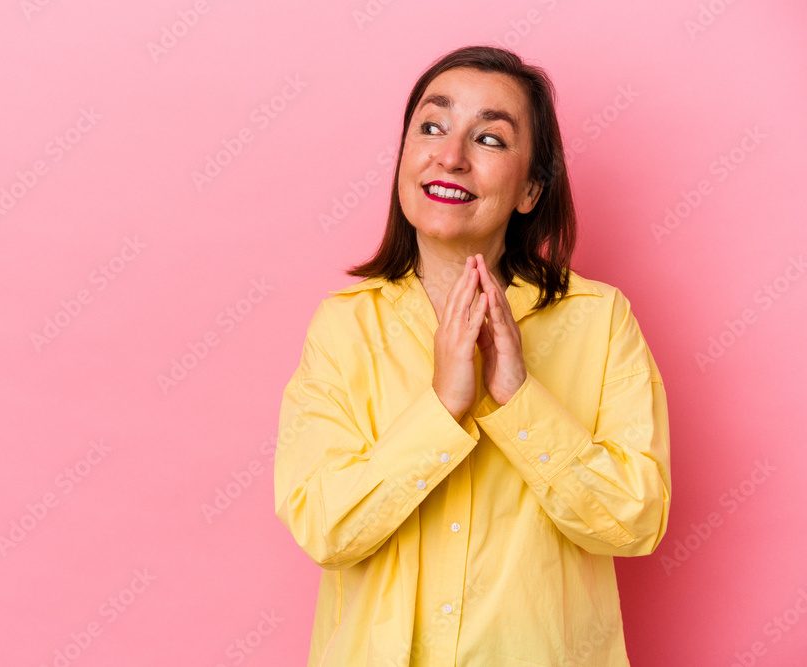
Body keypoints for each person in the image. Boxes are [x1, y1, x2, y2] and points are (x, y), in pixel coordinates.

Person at [273, 45, 671, 666]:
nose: (451, 156)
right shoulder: (344, 326)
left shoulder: (600, 319)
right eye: (432, 127)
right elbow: (325, 528)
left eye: (488, 139)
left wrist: (520, 400)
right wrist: (441, 407)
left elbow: (635, 521)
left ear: (531, 189)